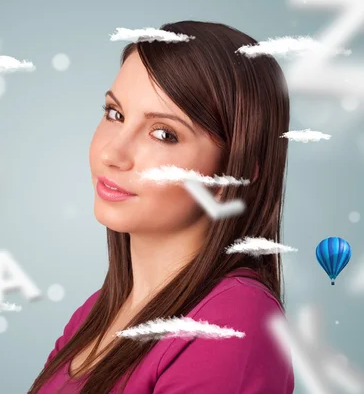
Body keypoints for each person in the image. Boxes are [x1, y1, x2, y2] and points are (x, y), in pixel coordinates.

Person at [28, 21, 294, 394]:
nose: (112, 154)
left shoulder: (231, 321)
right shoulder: (96, 312)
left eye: (164, 134)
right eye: (114, 114)